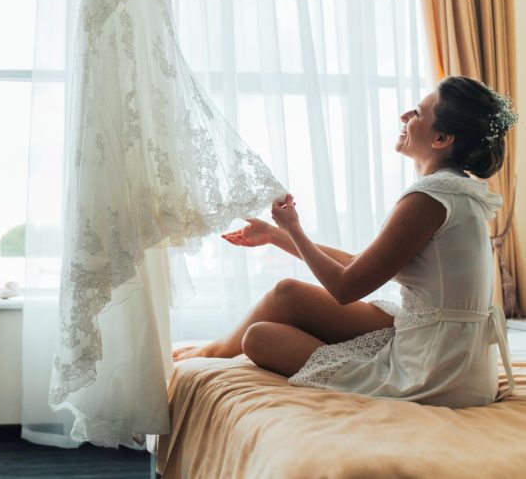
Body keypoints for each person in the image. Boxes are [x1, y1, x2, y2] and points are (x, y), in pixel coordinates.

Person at [173, 76, 519, 408]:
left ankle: (213, 352)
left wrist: (293, 227)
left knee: (259, 338)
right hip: (457, 357)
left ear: (442, 139)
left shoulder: (431, 196)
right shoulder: (457, 191)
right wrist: (276, 236)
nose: (405, 116)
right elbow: (361, 264)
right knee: (287, 293)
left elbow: (345, 287)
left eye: (417, 112)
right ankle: (214, 350)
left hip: (436, 375)